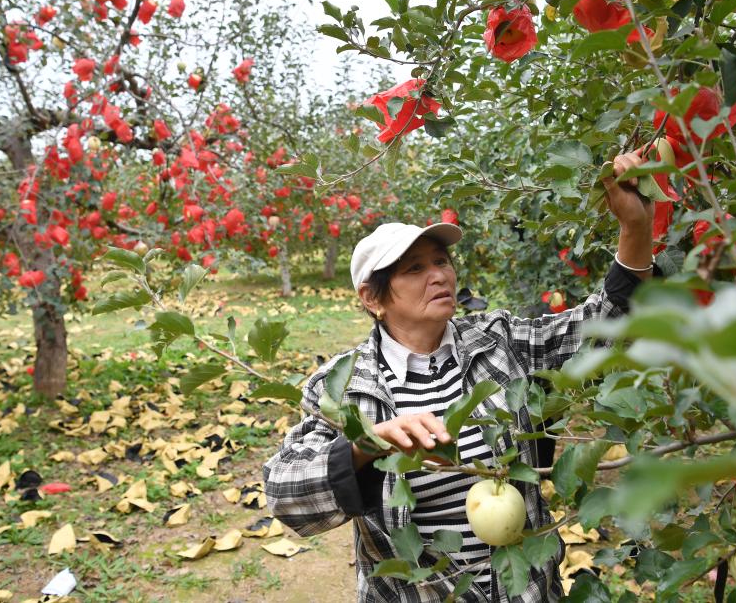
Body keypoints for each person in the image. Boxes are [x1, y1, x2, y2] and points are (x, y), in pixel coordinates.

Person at [263, 152, 655, 602]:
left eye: (441, 261)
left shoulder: (498, 342)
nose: (439, 276)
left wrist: (635, 229)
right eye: (414, 269)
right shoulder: (345, 387)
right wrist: (367, 445)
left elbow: (602, 327)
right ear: (373, 298)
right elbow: (287, 497)